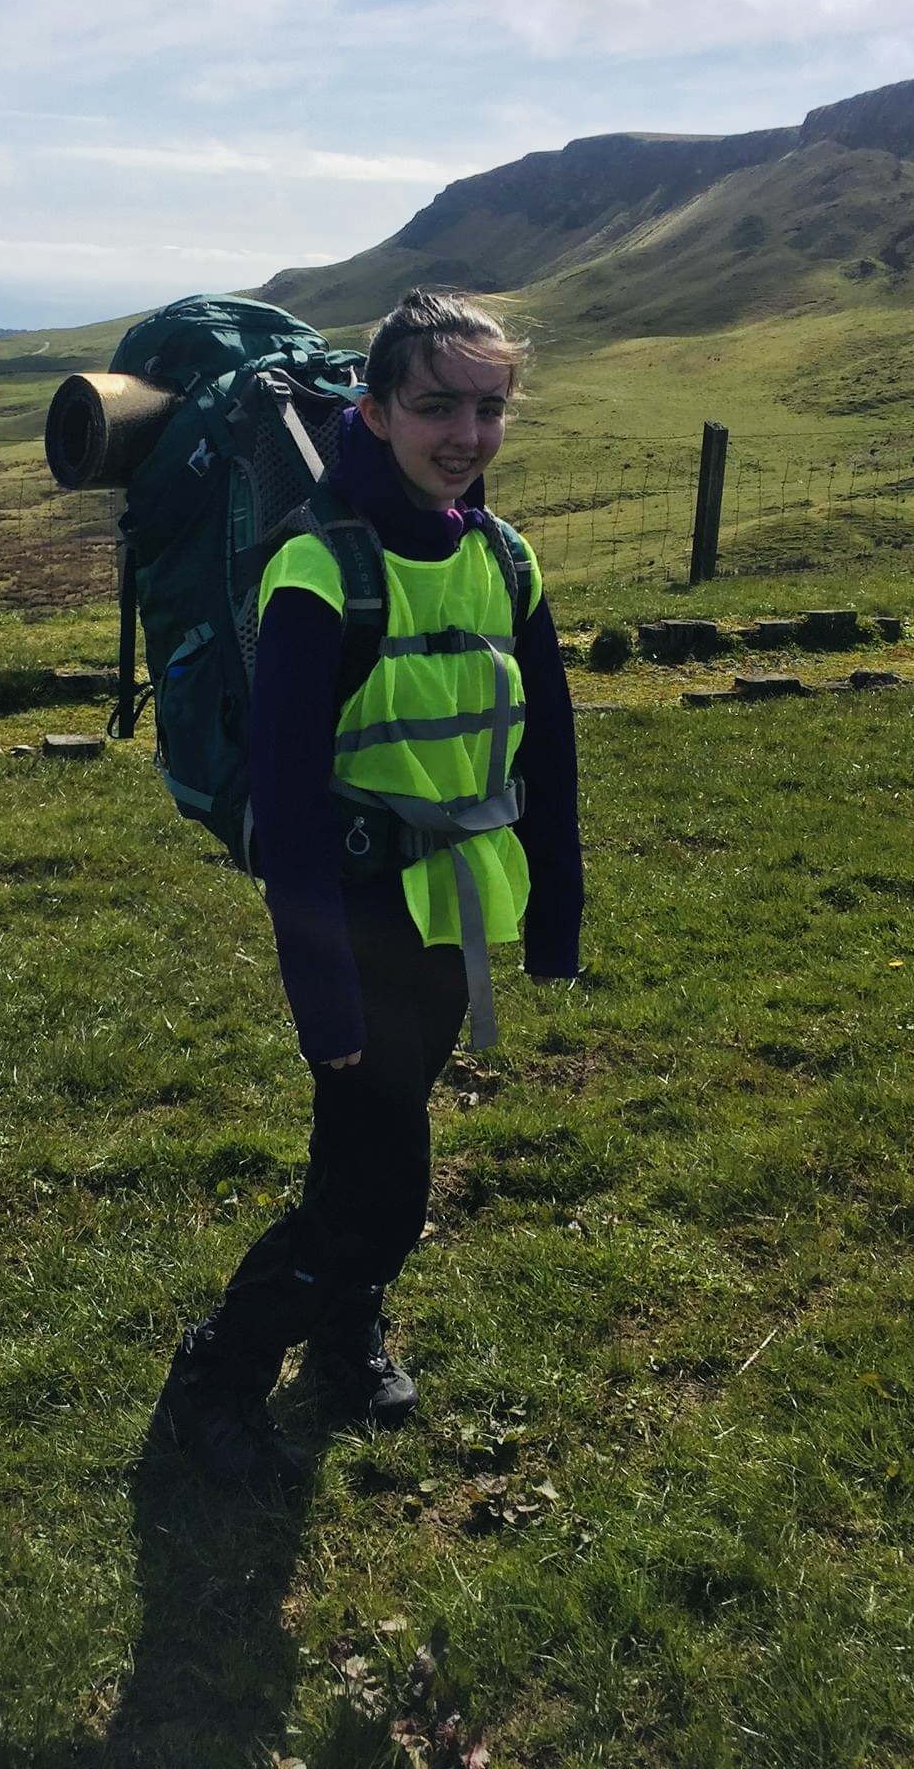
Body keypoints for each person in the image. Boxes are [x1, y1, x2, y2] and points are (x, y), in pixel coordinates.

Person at [155, 288, 584, 1488]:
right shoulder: (317, 566)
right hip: (353, 922)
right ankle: (217, 1377)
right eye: (435, 404)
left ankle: (344, 1328)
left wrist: (555, 914)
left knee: (356, 1152)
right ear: (376, 406)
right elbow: (289, 813)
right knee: (383, 1193)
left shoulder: (505, 555)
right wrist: (326, 1001)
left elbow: (546, 746)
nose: (465, 432)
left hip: (456, 919)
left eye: (488, 407)